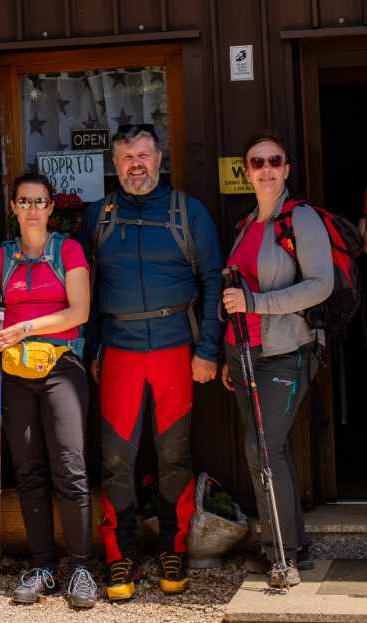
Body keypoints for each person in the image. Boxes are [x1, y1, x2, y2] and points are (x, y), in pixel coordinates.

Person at [80, 124, 223, 601]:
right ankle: (118, 554)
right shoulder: (98, 216)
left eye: (143, 155)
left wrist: (208, 350)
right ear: (115, 164)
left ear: (160, 159)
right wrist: (93, 350)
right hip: (118, 351)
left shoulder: (188, 212)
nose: (135, 165)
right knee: (115, 458)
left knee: (174, 456)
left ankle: (173, 549)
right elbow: (89, 289)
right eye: (126, 157)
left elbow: (213, 281)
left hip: (175, 349)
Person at [221, 131, 332, 588]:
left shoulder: (300, 218)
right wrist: (229, 352)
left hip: (286, 352)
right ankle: (286, 548)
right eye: (257, 162)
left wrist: (257, 304)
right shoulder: (247, 224)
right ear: (246, 172)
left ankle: (284, 555)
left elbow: (321, 284)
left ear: (286, 169)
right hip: (245, 353)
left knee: (263, 447)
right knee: (266, 448)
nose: (265, 169)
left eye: (274, 161)